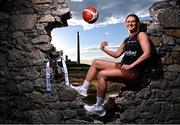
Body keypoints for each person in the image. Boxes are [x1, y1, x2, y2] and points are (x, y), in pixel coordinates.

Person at [70, 14, 151, 116]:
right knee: (96, 62)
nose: (131, 23)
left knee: (101, 74)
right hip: (123, 66)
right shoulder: (126, 40)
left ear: (137, 23)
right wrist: (104, 49)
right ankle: (84, 88)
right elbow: (116, 55)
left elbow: (147, 53)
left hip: (132, 71)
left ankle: (99, 107)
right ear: (125, 24)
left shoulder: (141, 35)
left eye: (133, 21)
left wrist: (131, 66)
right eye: (128, 21)